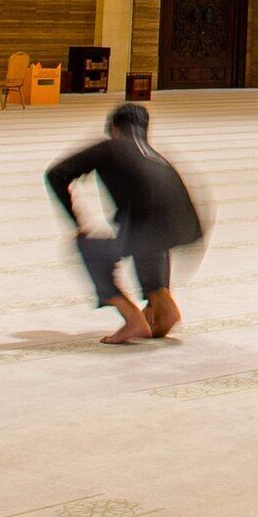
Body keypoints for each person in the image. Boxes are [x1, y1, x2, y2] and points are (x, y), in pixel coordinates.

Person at [46, 102, 204, 344]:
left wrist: (78, 221)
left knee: (88, 246)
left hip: (149, 226)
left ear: (115, 128)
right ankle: (163, 305)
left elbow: (56, 174)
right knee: (149, 240)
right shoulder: (156, 155)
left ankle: (131, 317)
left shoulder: (111, 147)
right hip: (186, 228)